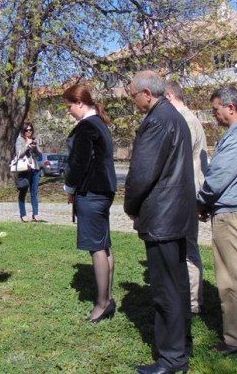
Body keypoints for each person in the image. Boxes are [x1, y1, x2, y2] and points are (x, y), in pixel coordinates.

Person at [124, 71, 197, 374]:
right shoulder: (174, 116)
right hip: (177, 214)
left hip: (163, 217)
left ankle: (171, 358)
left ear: (146, 93)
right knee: (177, 284)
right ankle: (181, 345)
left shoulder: (156, 121)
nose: (132, 101)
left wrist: (130, 205)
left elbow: (142, 173)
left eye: (133, 96)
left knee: (166, 289)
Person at [196, 85, 237, 355]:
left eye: (216, 110)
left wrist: (201, 200)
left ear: (230, 107)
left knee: (231, 279)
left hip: (231, 215)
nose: (214, 115)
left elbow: (218, 177)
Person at [63, 85, 118, 323]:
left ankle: (103, 303)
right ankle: (107, 297)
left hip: (92, 191)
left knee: (97, 248)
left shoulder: (87, 127)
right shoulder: (100, 124)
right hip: (103, 190)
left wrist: (69, 187)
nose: (68, 111)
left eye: (69, 106)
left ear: (80, 103)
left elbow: (79, 162)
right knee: (104, 246)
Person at [165, 80, 208, 316]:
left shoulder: (186, 121)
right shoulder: (190, 119)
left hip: (186, 194)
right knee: (185, 247)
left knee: (189, 249)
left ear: (170, 96)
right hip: (188, 192)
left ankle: (192, 302)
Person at [15, 121, 42, 222]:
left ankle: (35, 214)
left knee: (34, 192)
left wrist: (35, 148)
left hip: (35, 169)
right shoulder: (20, 140)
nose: (29, 132)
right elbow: (19, 154)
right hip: (25, 169)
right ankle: (23, 214)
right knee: (23, 192)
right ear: (23, 131)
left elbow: (40, 155)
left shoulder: (35, 140)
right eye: (27, 130)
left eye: (30, 130)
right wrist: (27, 145)